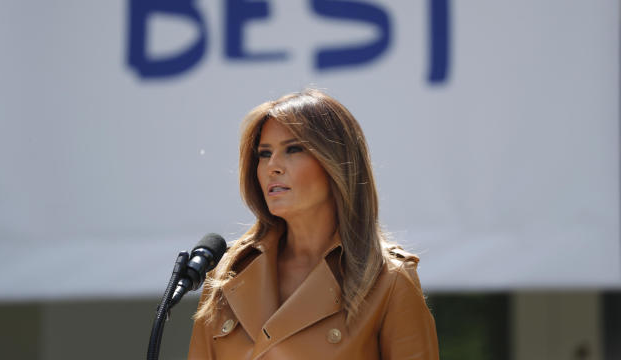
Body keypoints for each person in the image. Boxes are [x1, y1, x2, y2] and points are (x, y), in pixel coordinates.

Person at [188, 89, 439, 359]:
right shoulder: (227, 273)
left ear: (336, 163)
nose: (272, 166)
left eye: (293, 149)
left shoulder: (389, 280)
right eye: (264, 153)